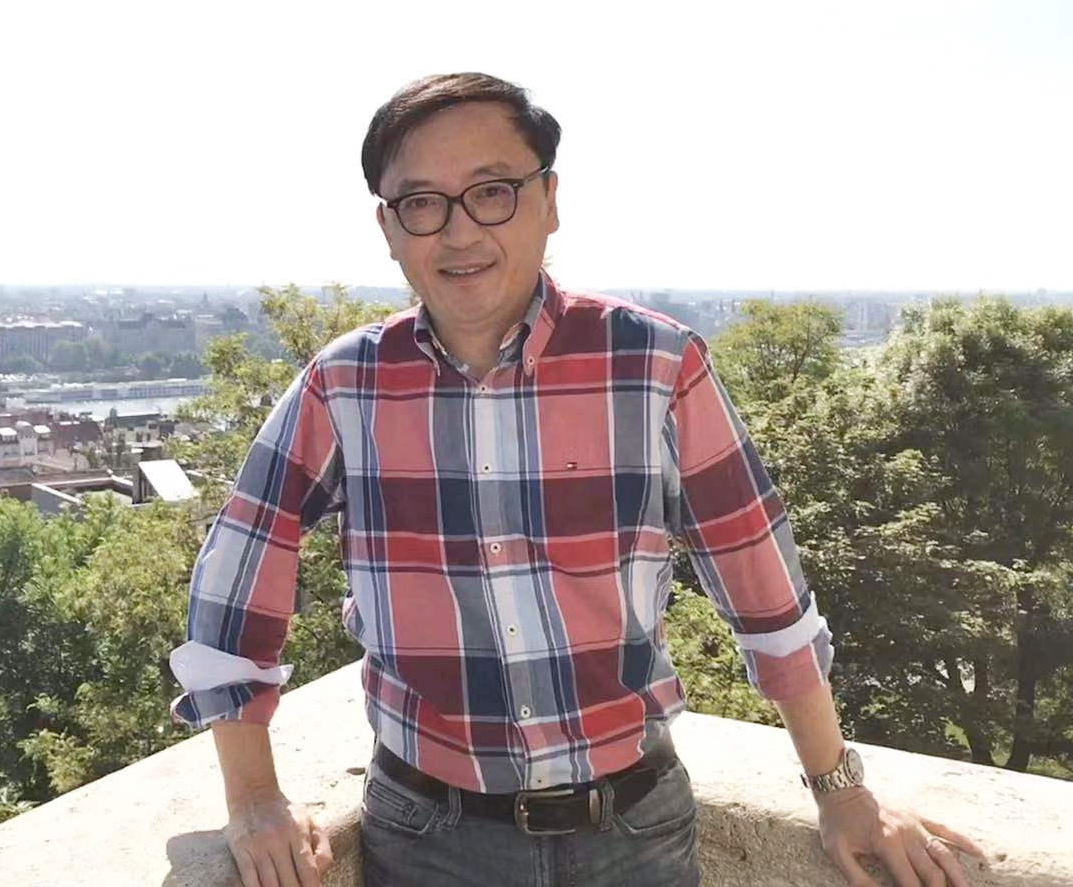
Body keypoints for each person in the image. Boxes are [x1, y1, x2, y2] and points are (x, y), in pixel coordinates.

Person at [169, 73, 985, 887]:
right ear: (388, 227)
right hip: (427, 839)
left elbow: (763, 589)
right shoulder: (346, 385)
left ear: (549, 200)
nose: (459, 231)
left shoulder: (654, 365)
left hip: (635, 832)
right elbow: (234, 589)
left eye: (492, 191)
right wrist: (254, 799)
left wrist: (841, 788)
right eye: (422, 203)